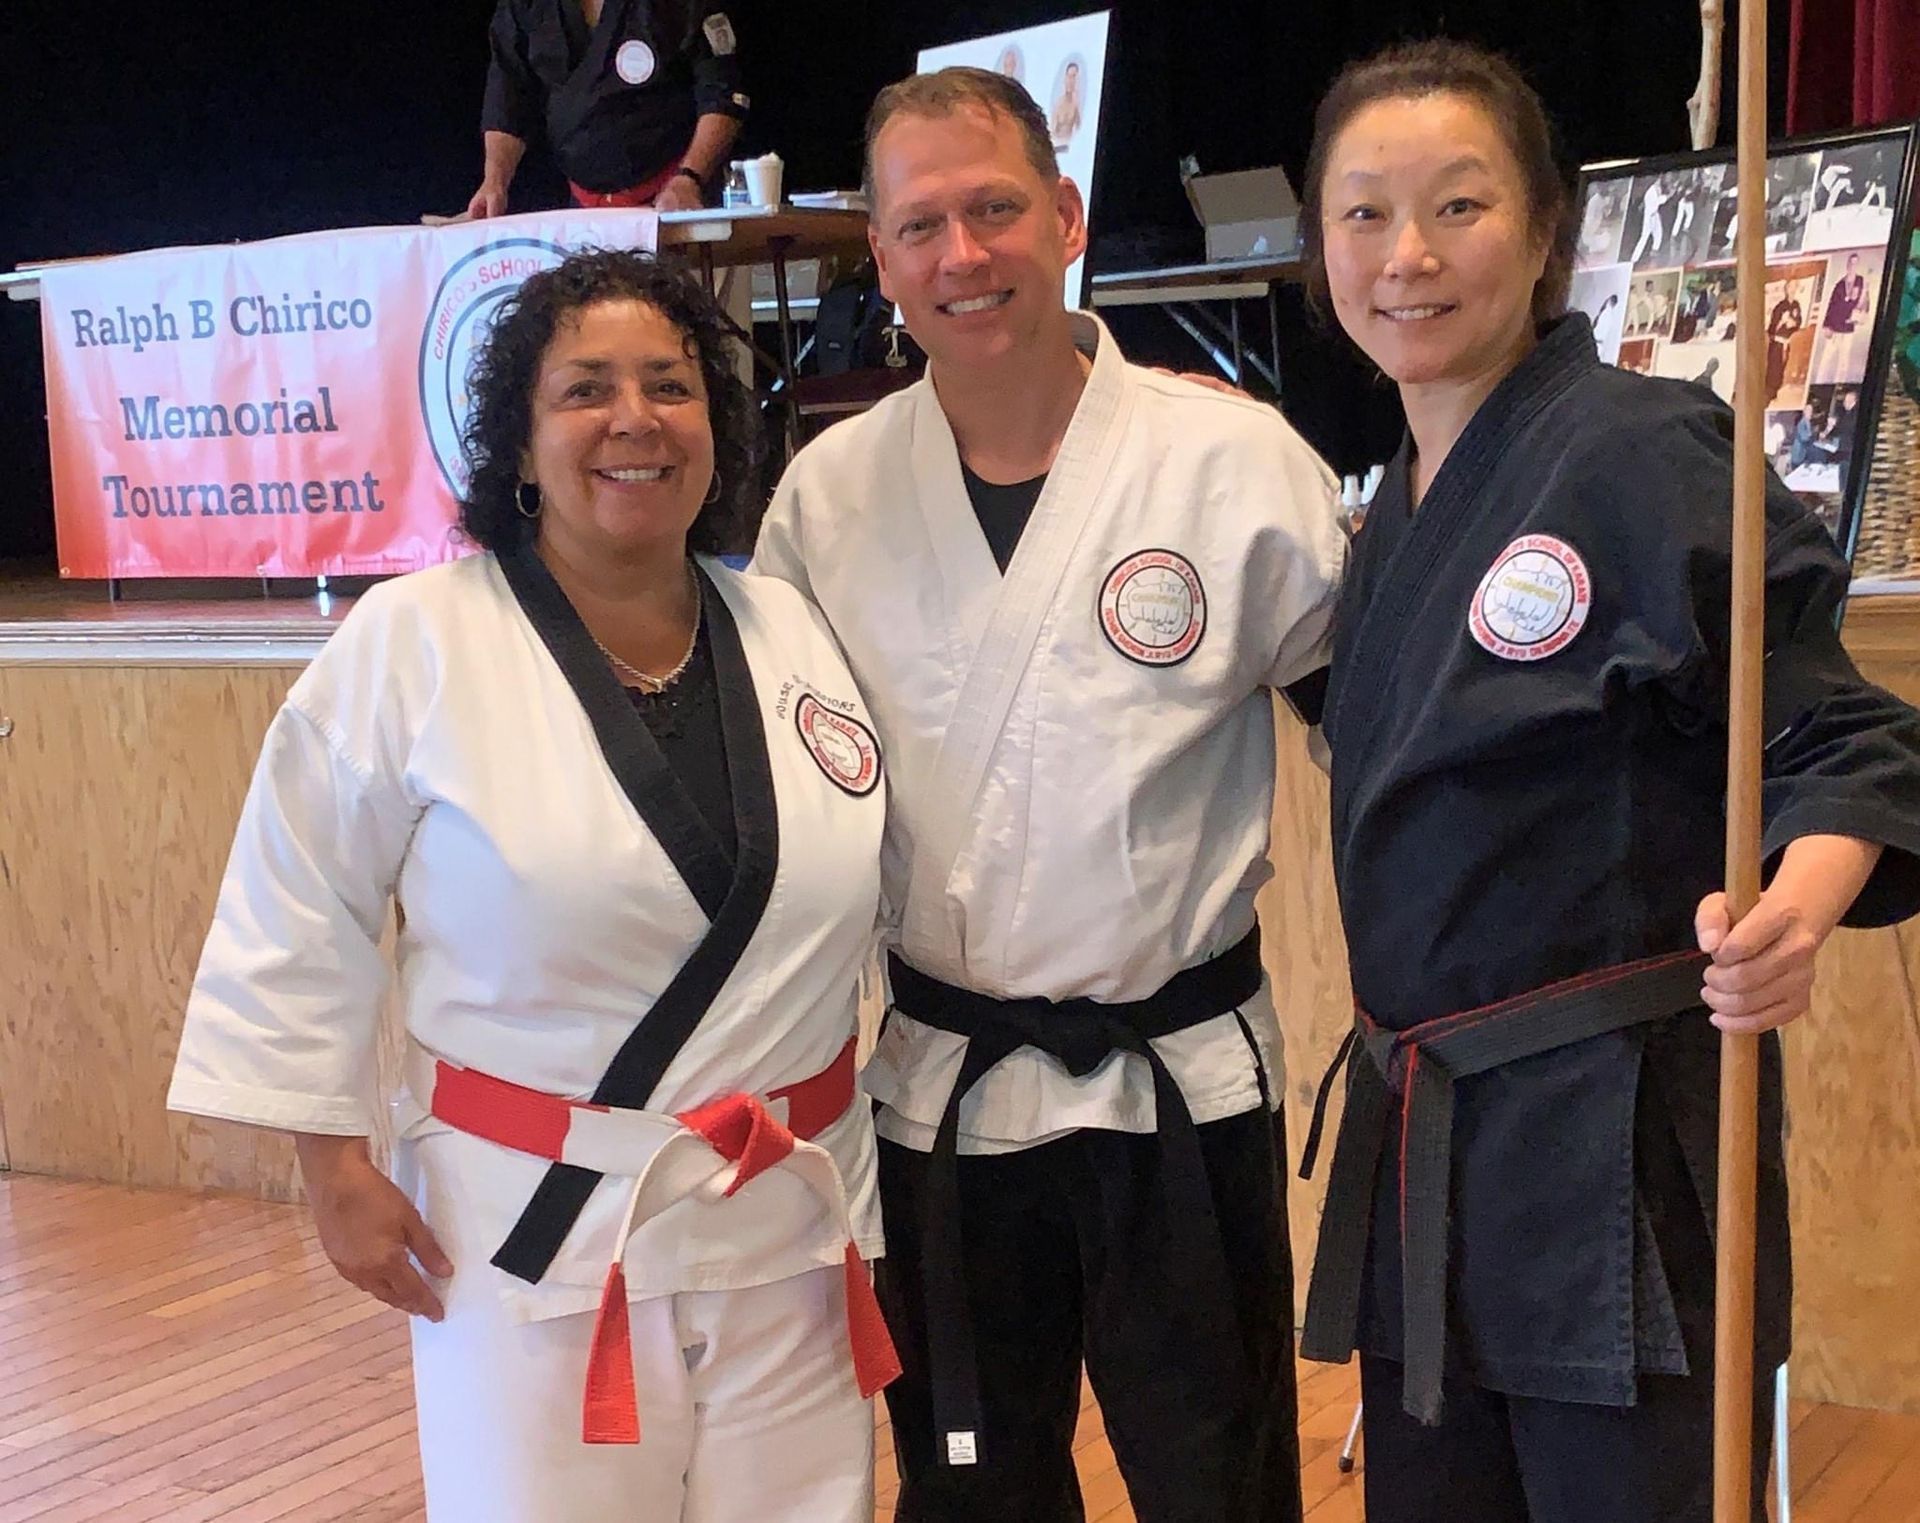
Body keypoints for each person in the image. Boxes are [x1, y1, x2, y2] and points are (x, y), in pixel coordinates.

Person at [1293, 39, 1920, 1523]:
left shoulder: (1645, 452)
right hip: (1428, 1152)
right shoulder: (1391, 508)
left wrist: (1792, 916)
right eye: (1365, 214)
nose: (1410, 257)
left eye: (1459, 206)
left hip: (1611, 1160)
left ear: (1548, 229)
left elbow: (1846, 739)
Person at [167, 251, 897, 1522]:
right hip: (531, 1230)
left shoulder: (789, 627)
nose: (633, 420)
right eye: (584, 390)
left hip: (788, 1221)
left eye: (670, 386)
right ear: (517, 440)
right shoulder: (415, 641)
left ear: (715, 432)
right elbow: (301, 897)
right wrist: (332, 1164)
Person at [754, 65, 1345, 1523]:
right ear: (878, 256)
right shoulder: (826, 498)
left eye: (997, 208)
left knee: (1221, 1485)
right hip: (946, 1095)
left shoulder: (1234, 463)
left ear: (1067, 214)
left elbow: (1385, 740)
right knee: (971, 1492)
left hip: (1183, 1082)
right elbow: (782, 809)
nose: (964, 256)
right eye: (921, 225)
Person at [469, 1, 748, 216]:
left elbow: (722, 93)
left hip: (678, 200)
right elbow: (509, 96)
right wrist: (494, 181)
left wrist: (690, 178)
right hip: (585, 209)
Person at [1050, 59, 1085, 148]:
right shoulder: (1059, 104)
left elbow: (1080, 129)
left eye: (1074, 77)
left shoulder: (1077, 103)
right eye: (1069, 76)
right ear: (1065, 78)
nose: (1071, 81)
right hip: (1058, 146)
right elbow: (1051, 132)